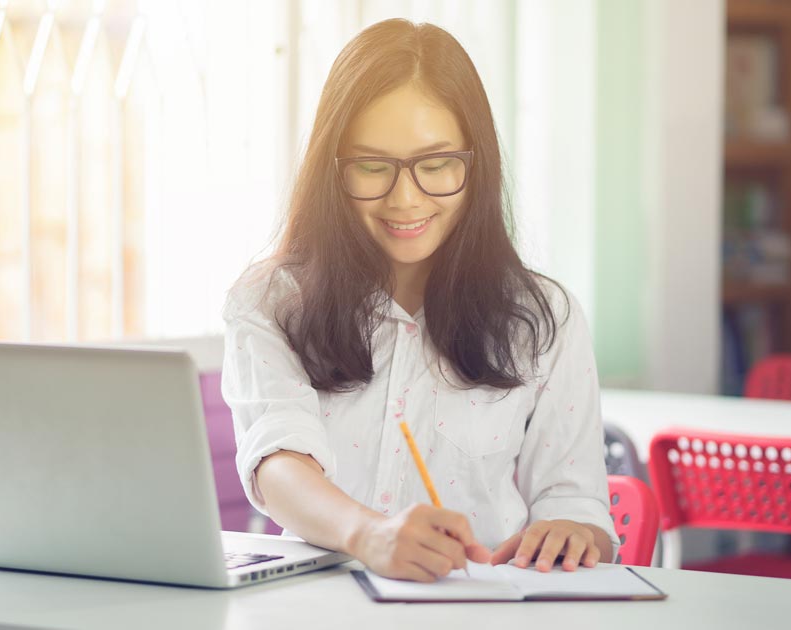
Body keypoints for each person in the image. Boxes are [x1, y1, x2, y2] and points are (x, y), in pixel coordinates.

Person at [221, 18, 617, 583]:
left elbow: (578, 507)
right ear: (332, 170)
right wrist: (369, 535)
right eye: (372, 166)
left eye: (435, 165)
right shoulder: (271, 301)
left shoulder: (544, 318)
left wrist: (574, 532)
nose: (406, 200)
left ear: (476, 165)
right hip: (319, 612)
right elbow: (278, 463)